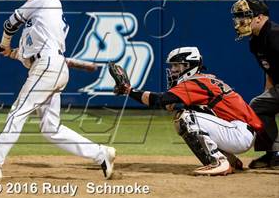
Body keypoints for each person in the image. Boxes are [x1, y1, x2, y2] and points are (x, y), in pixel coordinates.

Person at [0, 0, 116, 181]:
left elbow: (10, 23)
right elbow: (29, 53)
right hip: (50, 67)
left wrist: (4, 42)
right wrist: (10, 52)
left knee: (17, 113)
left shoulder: (45, 0)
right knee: (50, 129)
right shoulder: (42, 18)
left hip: (48, 66)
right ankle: (101, 154)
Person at [109, 47, 263, 175]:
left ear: (189, 66)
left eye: (177, 66)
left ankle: (218, 161)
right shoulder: (203, 79)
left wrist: (129, 91)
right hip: (239, 131)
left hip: (239, 133)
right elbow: (169, 103)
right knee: (189, 114)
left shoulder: (196, 81)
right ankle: (230, 160)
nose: (173, 70)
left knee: (185, 118)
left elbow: (160, 100)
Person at [231, 0, 279, 169]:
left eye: (244, 16)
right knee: (258, 106)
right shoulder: (256, 41)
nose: (240, 21)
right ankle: (274, 154)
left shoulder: (275, 35)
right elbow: (270, 71)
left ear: (259, 17)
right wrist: (269, 96)